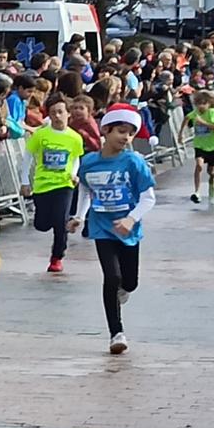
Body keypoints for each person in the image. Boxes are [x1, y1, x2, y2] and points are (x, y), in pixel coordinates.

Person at [70, 106, 155, 355]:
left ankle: (122, 292)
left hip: (129, 231)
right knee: (112, 277)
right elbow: (86, 190)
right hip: (102, 228)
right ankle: (116, 333)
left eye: (130, 133)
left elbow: (148, 198)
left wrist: (131, 219)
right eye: (120, 131)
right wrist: (79, 216)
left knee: (129, 282)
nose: (125, 138)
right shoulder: (89, 162)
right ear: (105, 131)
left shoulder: (134, 162)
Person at [22, 99, 85, 274]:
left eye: (60, 112)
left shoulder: (75, 137)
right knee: (41, 224)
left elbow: (75, 158)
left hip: (64, 184)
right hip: (42, 185)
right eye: (53, 113)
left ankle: (57, 257)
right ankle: (49, 220)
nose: (57, 116)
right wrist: (24, 182)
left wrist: (74, 173)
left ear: (68, 114)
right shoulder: (41, 135)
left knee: (60, 222)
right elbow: (27, 157)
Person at [187, 87, 214, 203]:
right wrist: (180, 134)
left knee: (211, 172)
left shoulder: (213, 112)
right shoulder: (195, 113)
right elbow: (186, 120)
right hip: (199, 145)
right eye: (198, 103)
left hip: (213, 145)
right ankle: (197, 192)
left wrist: (202, 123)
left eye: (204, 103)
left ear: (209, 103)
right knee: (199, 166)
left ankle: (212, 182)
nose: (201, 106)